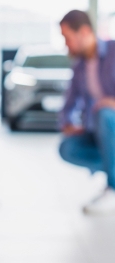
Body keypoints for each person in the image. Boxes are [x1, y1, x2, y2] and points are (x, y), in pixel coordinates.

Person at [59, 10, 115, 215]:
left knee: (105, 113)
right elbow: (69, 102)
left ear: (83, 32)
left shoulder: (113, 51)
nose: (67, 45)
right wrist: (68, 123)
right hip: (99, 131)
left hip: (111, 122)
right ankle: (113, 167)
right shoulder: (80, 65)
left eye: (68, 38)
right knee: (68, 148)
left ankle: (113, 188)